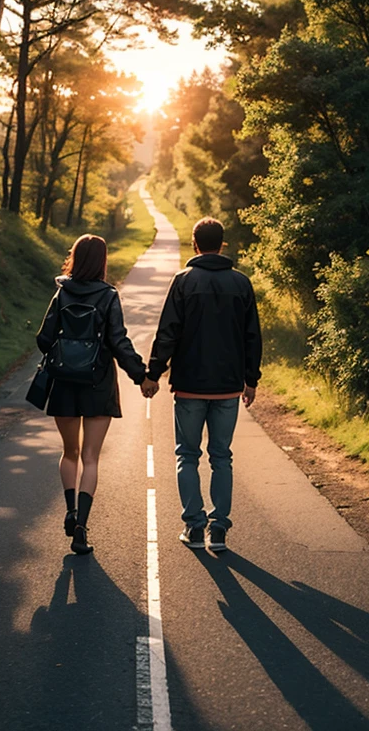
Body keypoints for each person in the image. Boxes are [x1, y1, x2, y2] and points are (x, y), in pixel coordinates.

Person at [144, 216, 262, 552]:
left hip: (190, 386)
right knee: (222, 456)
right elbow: (252, 336)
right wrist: (250, 380)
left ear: (195, 244)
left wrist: (153, 374)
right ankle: (219, 529)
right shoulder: (241, 284)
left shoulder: (183, 282)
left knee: (187, 455)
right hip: (227, 387)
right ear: (221, 244)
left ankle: (194, 528)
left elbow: (168, 332)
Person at [37, 234, 149, 555]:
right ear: (101, 261)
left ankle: (70, 510)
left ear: (74, 257)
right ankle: (82, 528)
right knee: (91, 458)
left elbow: (44, 340)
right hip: (98, 383)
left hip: (63, 384)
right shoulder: (109, 296)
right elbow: (119, 341)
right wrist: (141, 376)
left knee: (69, 452)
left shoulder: (61, 294)